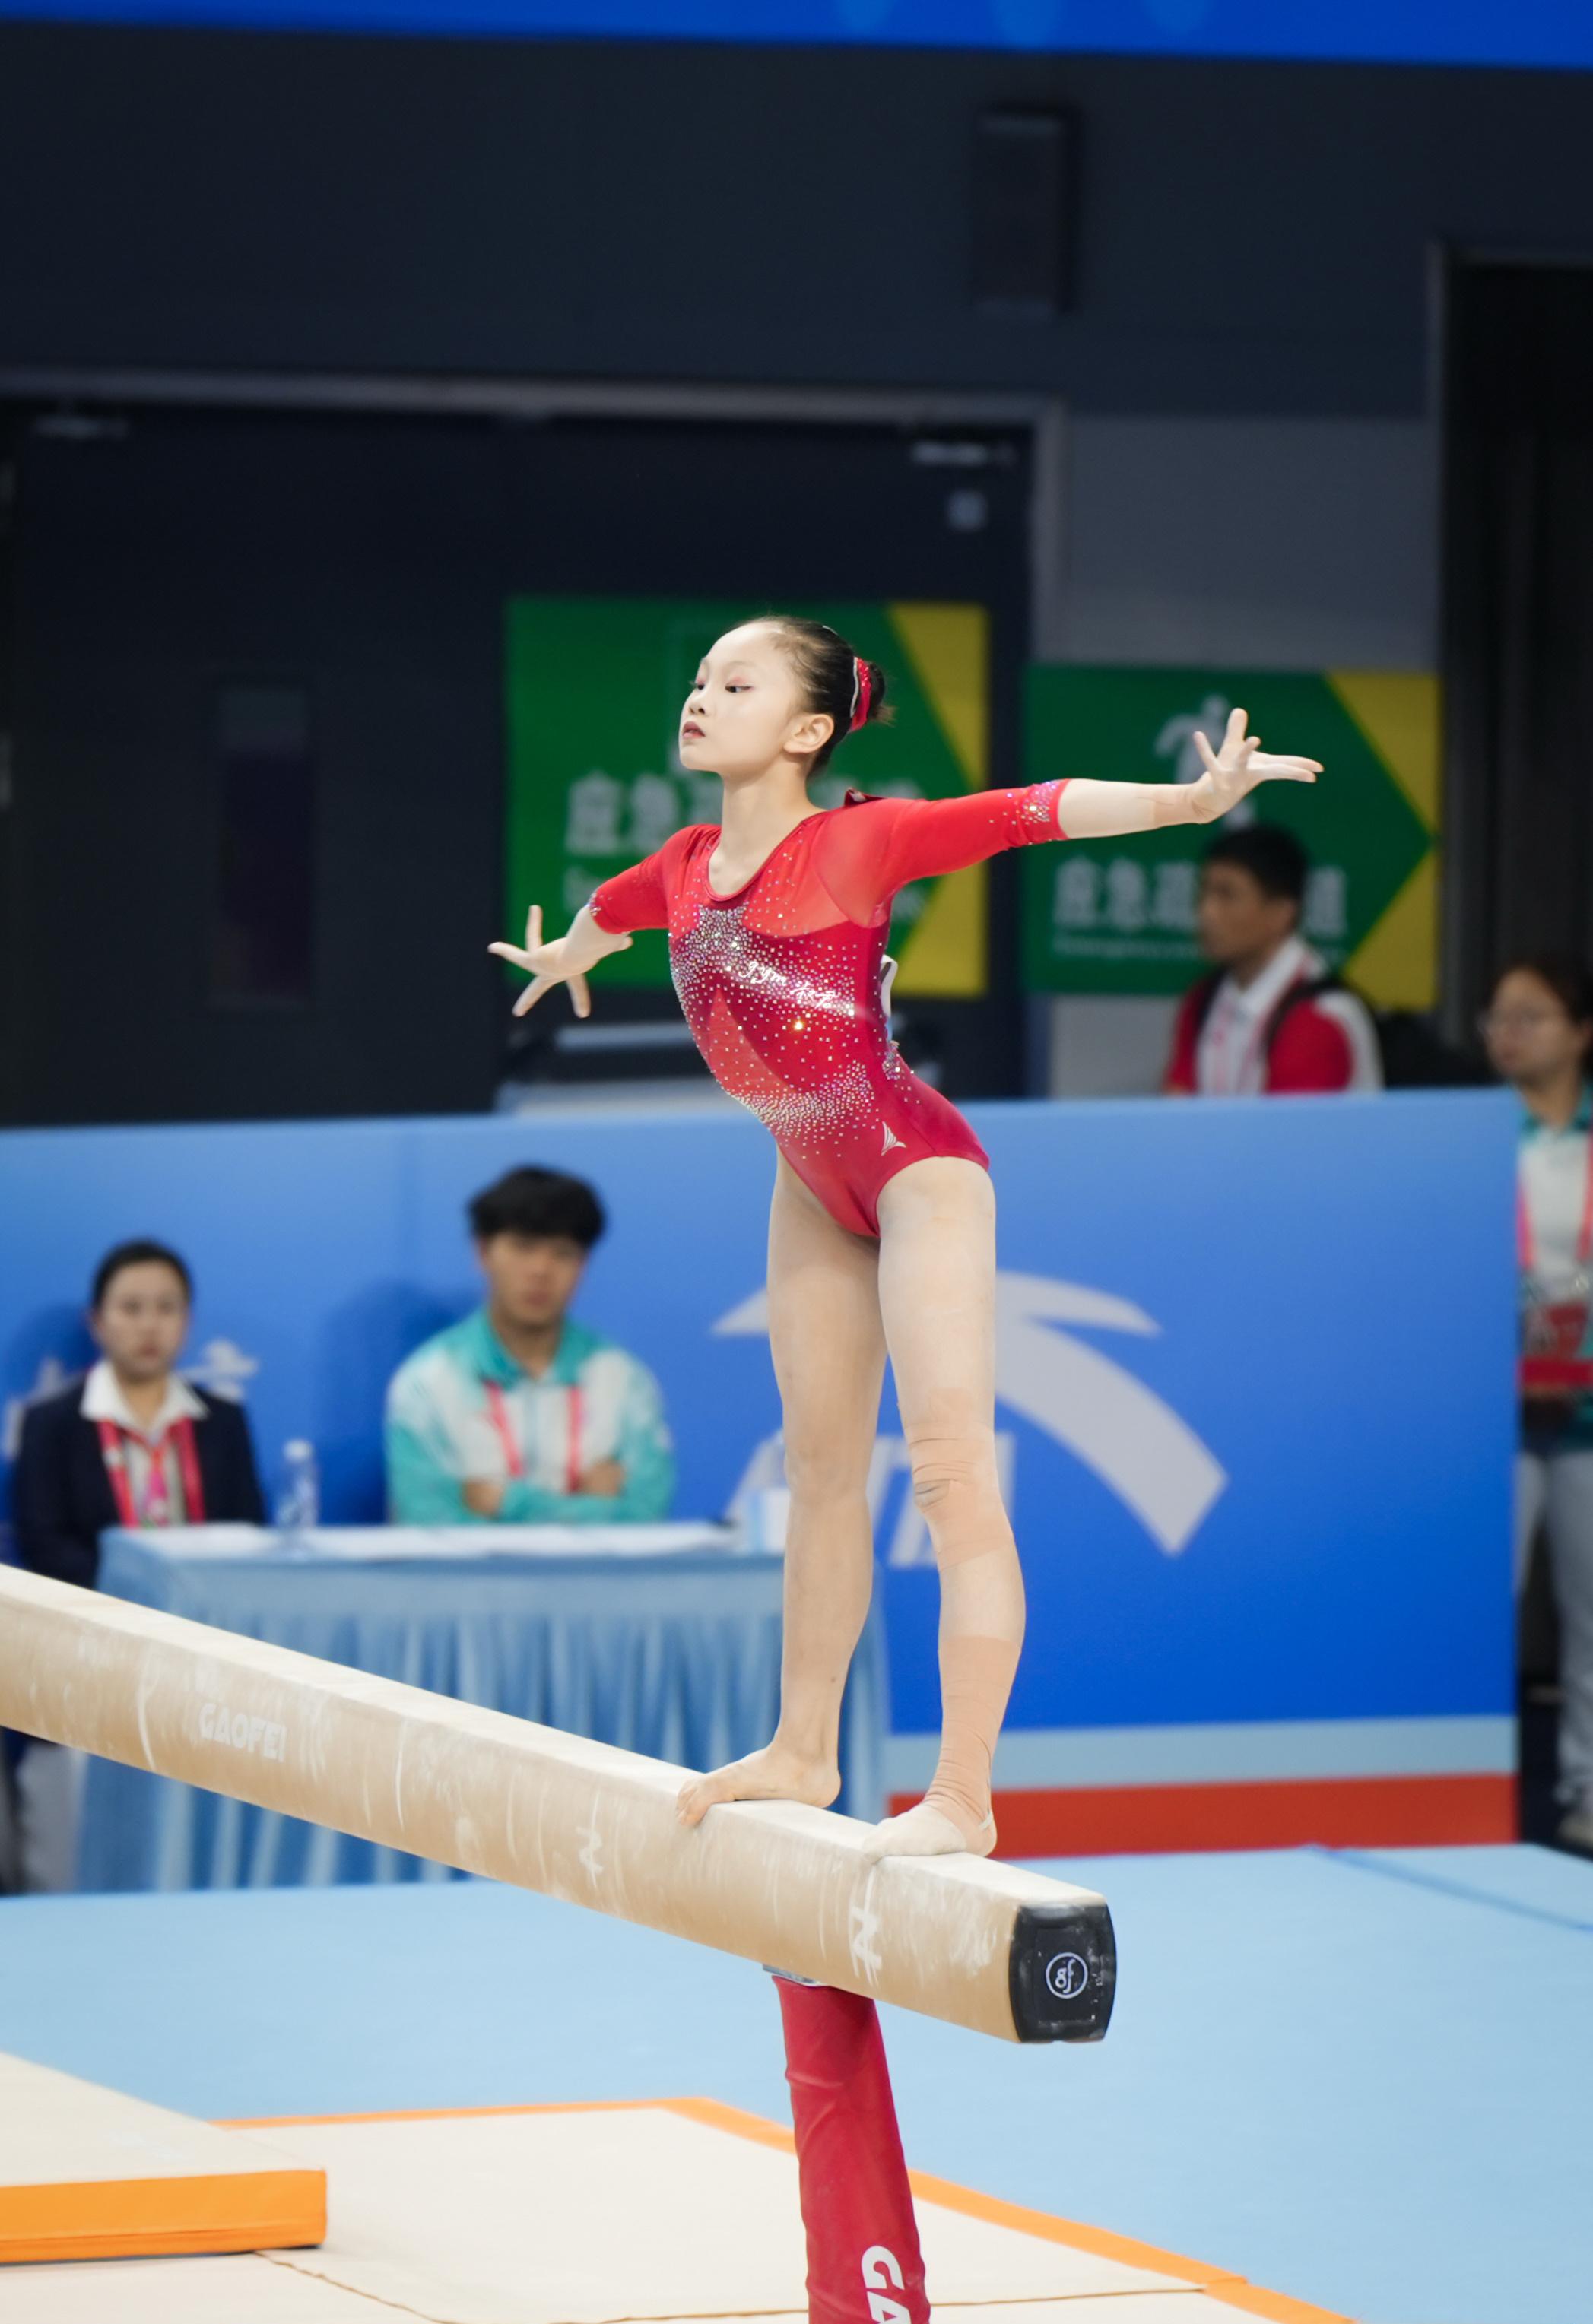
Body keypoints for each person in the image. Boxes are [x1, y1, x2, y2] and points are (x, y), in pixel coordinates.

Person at [489, 614, 1323, 1859]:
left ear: (809, 729)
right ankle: (803, 1746)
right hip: (807, 1186)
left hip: (917, 1171)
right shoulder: (680, 866)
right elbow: (613, 912)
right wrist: (569, 952)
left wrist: (1190, 802)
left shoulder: (858, 840)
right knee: (820, 1474)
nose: (701, 696)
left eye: (736, 682)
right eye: (701, 679)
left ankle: (961, 1795)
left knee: (946, 1473)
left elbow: (1029, 812)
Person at [385, 1165, 674, 1525]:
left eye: (563, 1253)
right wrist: (593, 1508)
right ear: (483, 1253)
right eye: (524, 1247)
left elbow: (645, 1519)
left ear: (584, 1264)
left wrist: (507, 1502)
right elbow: (427, 1525)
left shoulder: (625, 1380)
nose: (541, 1270)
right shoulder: (426, 1382)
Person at [1482, 955, 1593, 1856]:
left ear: (1581, 1030)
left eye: (1531, 1015)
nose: (1508, 1031)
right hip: (1489, 1413)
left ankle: (1586, 1787)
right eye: (1497, 1016)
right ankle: (1469, 1791)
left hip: (1588, 1414)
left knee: (1590, 1608)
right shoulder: (1468, 1136)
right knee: (1483, 1608)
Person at [11, 1238, 266, 1590]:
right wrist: (130, 1594)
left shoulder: (223, 1420)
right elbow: (44, 1544)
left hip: (206, 1612)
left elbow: (247, 1531)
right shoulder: (51, 1424)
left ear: (188, 1320)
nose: (149, 1325)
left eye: (167, 1308)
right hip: (99, 1611)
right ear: (97, 1322)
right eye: (131, 1308)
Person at [1163, 823, 1381, 1095]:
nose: (1207, 912)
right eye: (1204, 892)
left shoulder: (1320, 1016)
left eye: (1227, 895)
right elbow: (1177, 1103)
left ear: (1281, 913)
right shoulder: (1201, 1001)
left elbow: (1292, 1123)